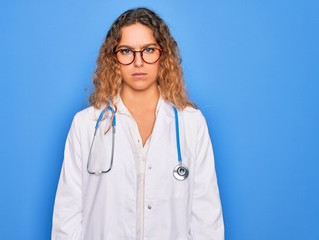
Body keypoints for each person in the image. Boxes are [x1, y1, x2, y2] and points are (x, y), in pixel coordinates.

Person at [52, 7, 224, 240]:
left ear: (163, 55)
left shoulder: (191, 124)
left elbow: (207, 221)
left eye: (148, 50)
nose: (138, 62)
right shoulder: (85, 124)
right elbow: (67, 217)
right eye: (126, 51)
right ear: (114, 58)